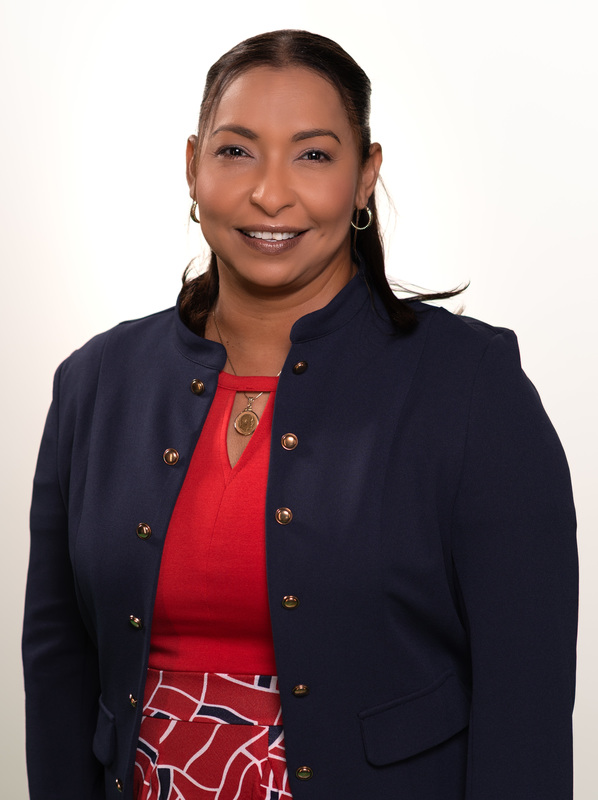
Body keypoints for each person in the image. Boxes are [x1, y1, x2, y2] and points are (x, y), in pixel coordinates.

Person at [22, 29, 577, 800]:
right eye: (236, 152)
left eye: (313, 155)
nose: (271, 193)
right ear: (192, 166)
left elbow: (528, 701)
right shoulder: (93, 385)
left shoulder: (472, 386)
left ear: (364, 176)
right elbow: (58, 670)